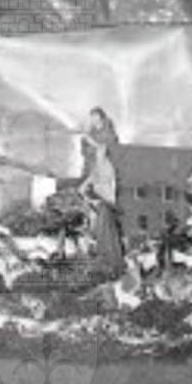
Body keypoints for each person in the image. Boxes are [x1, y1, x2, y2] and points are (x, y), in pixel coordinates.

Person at [80, 107, 123, 269]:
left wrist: (89, 139)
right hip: (100, 200)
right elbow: (93, 171)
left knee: (104, 231)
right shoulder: (97, 163)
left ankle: (109, 261)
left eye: (95, 119)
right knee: (95, 228)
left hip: (105, 203)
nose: (93, 122)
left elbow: (105, 148)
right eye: (92, 119)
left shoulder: (107, 164)